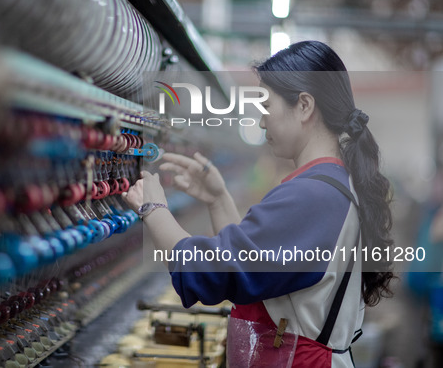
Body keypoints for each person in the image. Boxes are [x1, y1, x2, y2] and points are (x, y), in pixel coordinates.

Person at [122, 40, 395, 367]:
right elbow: (256, 273)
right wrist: (218, 199)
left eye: (266, 107)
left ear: (305, 106)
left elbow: (212, 272)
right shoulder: (330, 184)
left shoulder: (313, 196)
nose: (262, 122)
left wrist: (154, 210)